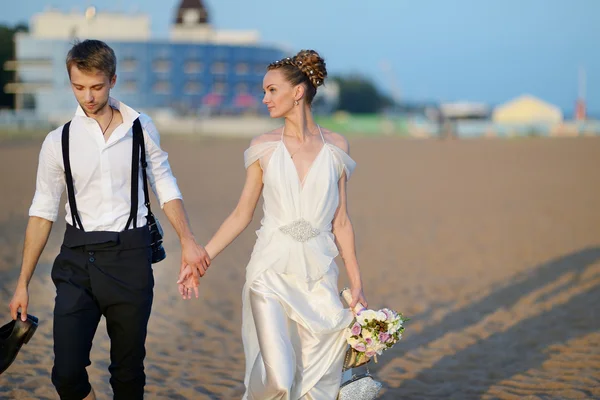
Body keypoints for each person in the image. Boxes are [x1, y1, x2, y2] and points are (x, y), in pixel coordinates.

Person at [8, 39, 210, 400]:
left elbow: (164, 183)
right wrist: (23, 281)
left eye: (97, 86)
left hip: (130, 258)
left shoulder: (141, 128)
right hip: (76, 262)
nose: (87, 96)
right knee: (66, 373)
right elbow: (42, 211)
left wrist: (189, 241)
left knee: (128, 373)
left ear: (113, 80)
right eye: (79, 87)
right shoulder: (58, 141)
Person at [178, 49, 367, 399]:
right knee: (278, 379)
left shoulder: (337, 147)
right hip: (270, 271)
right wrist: (199, 260)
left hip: (319, 275)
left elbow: (341, 221)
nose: (264, 98)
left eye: (271, 90)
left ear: (298, 92)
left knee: (319, 381)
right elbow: (241, 214)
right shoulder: (263, 147)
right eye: (264, 91)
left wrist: (356, 284)